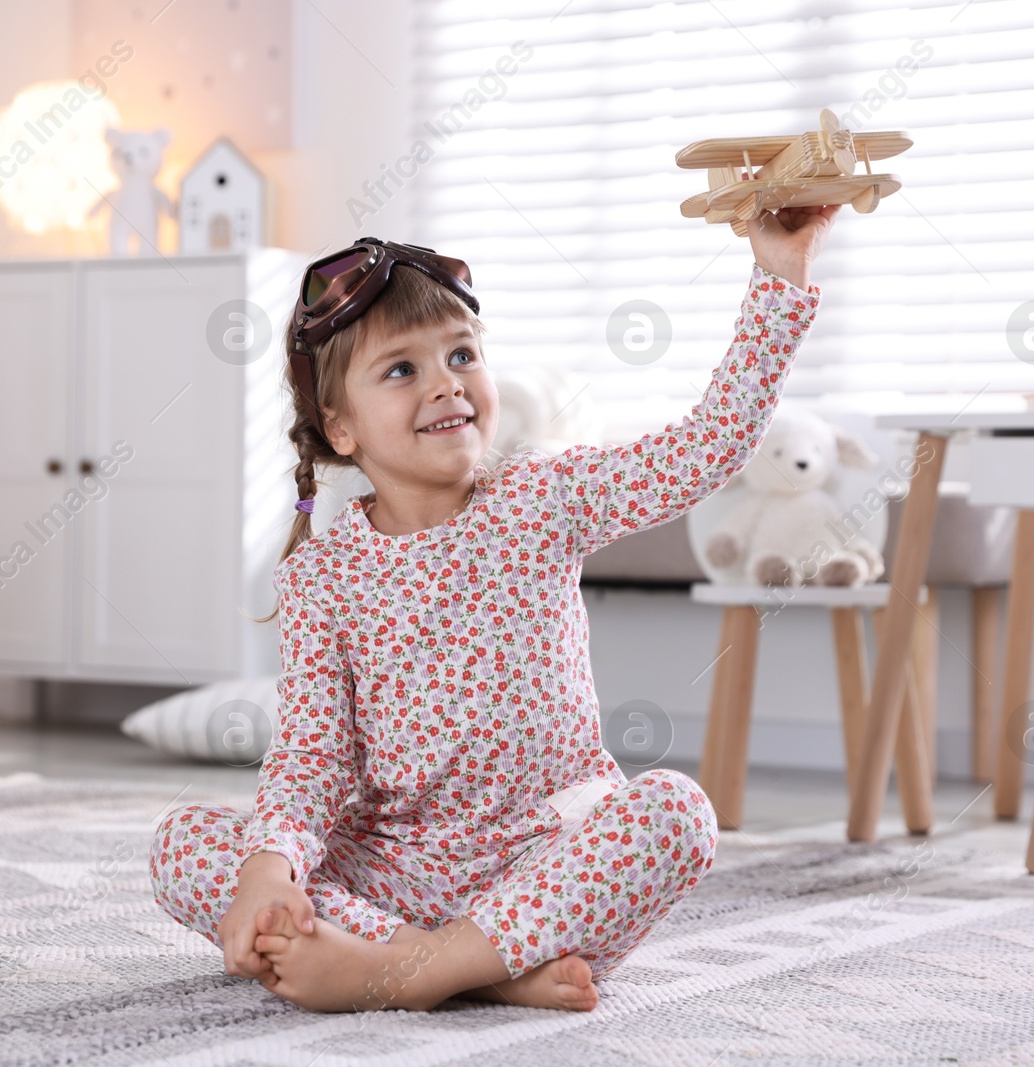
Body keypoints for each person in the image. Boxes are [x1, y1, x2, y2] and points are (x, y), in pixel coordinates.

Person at [151, 205, 839, 1013]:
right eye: (401, 370)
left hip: (545, 867)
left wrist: (778, 272)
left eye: (461, 353)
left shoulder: (543, 496)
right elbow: (310, 760)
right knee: (183, 845)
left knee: (677, 814)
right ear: (340, 428)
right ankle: (478, 970)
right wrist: (271, 866)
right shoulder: (320, 577)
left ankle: (406, 972)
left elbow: (707, 447)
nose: (446, 380)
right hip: (392, 872)